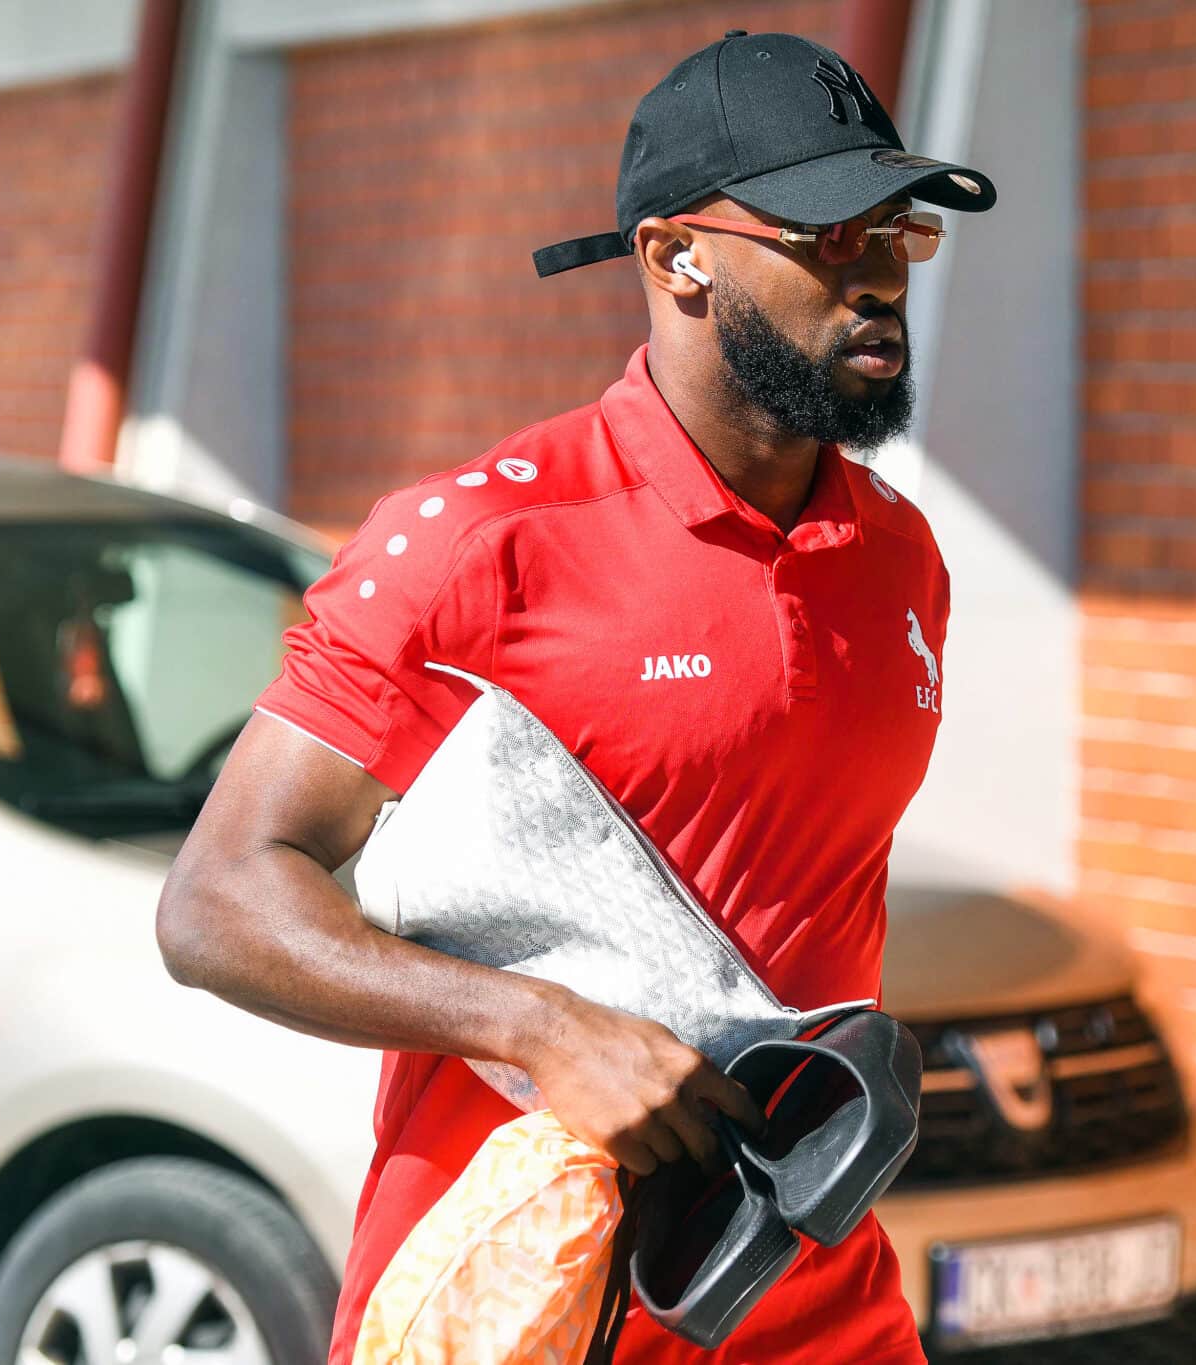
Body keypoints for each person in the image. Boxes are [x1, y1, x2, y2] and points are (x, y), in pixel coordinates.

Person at [155, 29, 996, 1365]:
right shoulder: (480, 546)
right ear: (678, 259)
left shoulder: (902, 559)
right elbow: (217, 897)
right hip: (539, 1306)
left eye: (895, 231)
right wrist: (536, 1026)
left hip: (812, 1300)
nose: (879, 276)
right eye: (828, 235)